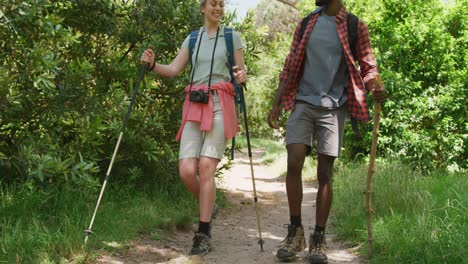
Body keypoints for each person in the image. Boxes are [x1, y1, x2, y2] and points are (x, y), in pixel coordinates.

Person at [268, 0, 386, 263]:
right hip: (303, 102)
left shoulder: (355, 26)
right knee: (294, 161)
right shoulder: (307, 23)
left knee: (325, 173)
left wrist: (375, 87)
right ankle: (295, 231)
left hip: (334, 108)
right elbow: (289, 66)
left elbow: (368, 68)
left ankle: (318, 241)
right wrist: (276, 104)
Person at [140, 0, 246, 256]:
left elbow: (241, 71)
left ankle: (203, 232)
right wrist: (153, 65)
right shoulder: (193, 38)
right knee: (187, 170)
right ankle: (208, 204)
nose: (217, 8)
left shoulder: (232, 36)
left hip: (220, 103)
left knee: (206, 167)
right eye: (213, 4)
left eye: (221, 4)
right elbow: (174, 69)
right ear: (202, 8)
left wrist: (243, 76)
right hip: (195, 105)